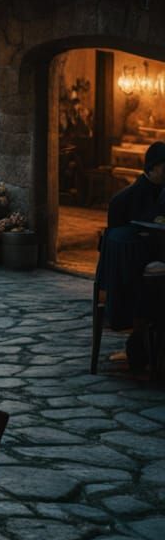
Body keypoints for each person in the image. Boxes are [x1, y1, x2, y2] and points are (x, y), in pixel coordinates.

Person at [100, 142, 165, 371]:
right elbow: (119, 242)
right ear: (153, 167)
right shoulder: (125, 199)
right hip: (132, 270)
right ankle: (142, 343)